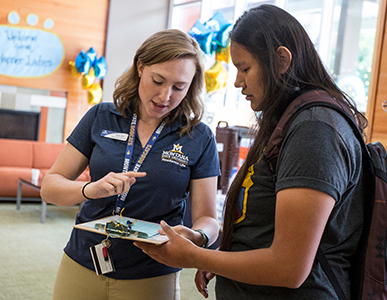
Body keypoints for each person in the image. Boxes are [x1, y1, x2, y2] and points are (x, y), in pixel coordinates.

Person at [135, 5, 367, 300]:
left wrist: (197, 257)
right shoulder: (287, 120)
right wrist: (226, 257)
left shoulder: (314, 129)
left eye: (245, 68)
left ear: (282, 60)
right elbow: (264, 229)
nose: (237, 81)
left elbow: (289, 267)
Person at [41, 29, 220, 300]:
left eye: (178, 87)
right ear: (140, 67)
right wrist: (89, 190)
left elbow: (208, 219)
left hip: (152, 272)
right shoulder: (101, 117)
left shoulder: (199, 136)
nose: (165, 96)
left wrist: (198, 236)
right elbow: (50, 188)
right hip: (84, 261)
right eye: (157, 81)